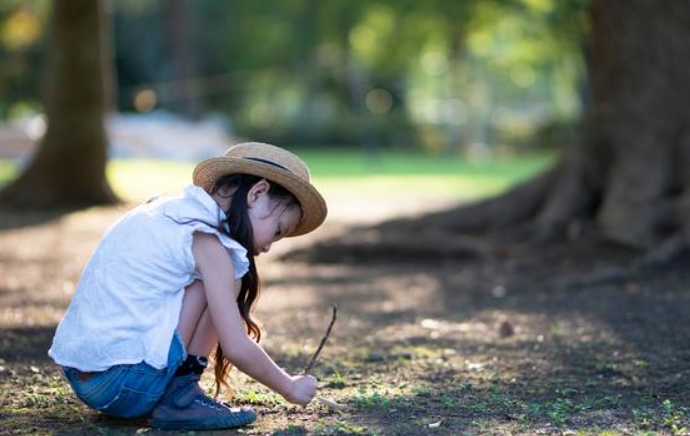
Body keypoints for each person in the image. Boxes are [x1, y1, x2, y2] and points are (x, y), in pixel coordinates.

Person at [48, 142, 328, 430]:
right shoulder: (208, 241)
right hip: (124, 385)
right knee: (228, 274)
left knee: (212, 277)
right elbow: (236, 346)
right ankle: (180, 397)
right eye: (278, 230)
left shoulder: (167, 211)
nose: (269, 247)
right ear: (257, 193)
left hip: (84, 376)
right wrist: (289, 387)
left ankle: (176, 393)